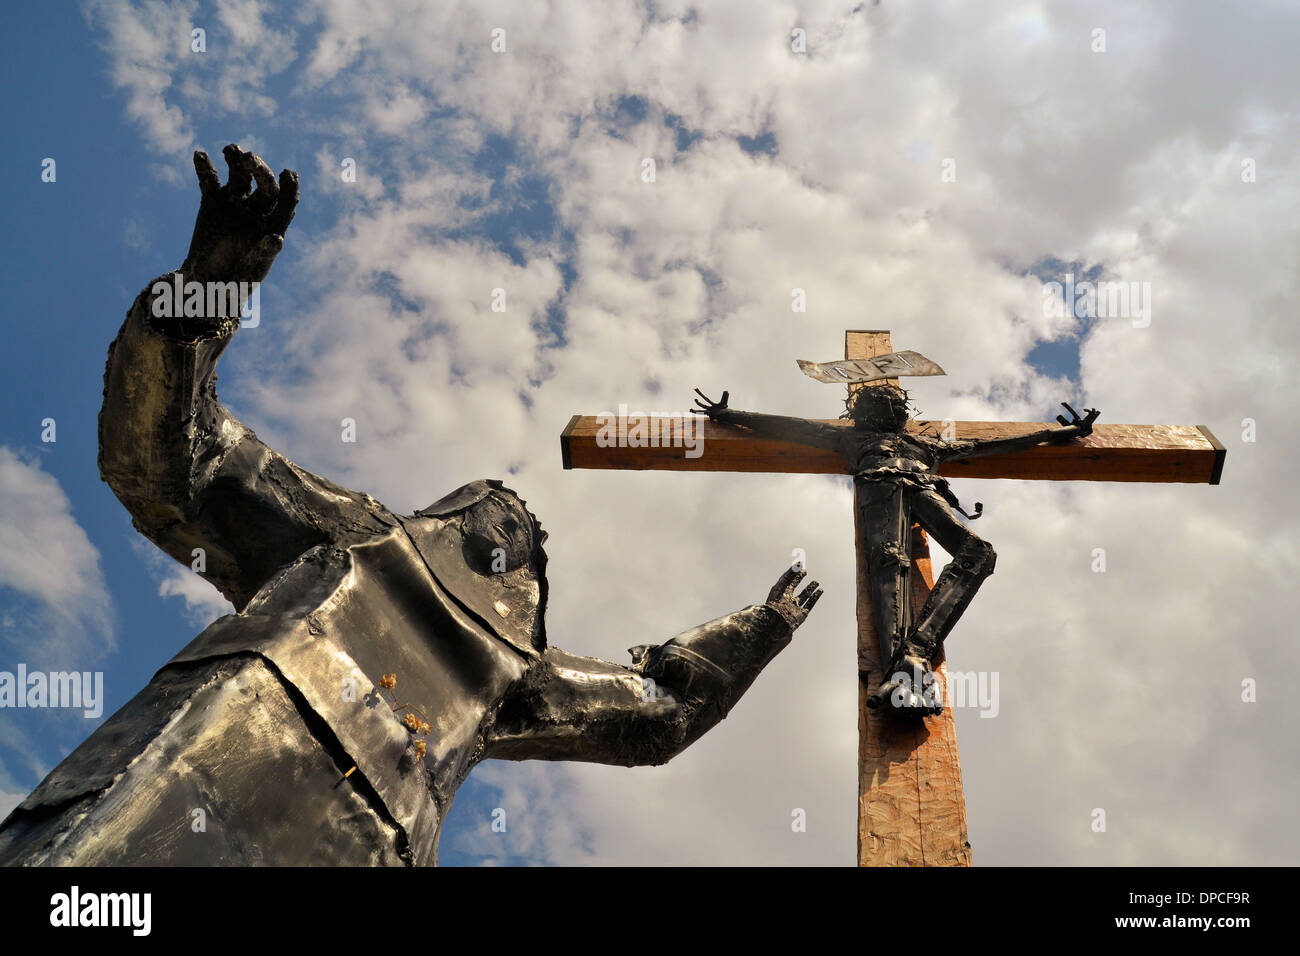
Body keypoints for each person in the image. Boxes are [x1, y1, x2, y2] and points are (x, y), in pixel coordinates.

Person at [0, 145, 822, 866]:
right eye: (499, 505)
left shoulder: (515, 670)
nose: (514, 519)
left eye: (529, 531)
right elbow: (172, 459)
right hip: (189, 765)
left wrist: (760, 631)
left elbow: (660, 712)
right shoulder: (349, 533)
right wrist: (204, 295)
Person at [690, 381, 1097, 715]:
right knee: (889, 564)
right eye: (876, 402)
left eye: (891, 402)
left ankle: (915, 654)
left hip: (922, 489)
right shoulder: (849, 439)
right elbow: (791, 427)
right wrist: (729, 416)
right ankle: (897, 678)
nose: (885, 405)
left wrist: (1059, 433)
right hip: (881, 493)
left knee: (978, 553)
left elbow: (994, 445)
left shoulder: (929, 446)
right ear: (861, 413)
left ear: (903, 414)